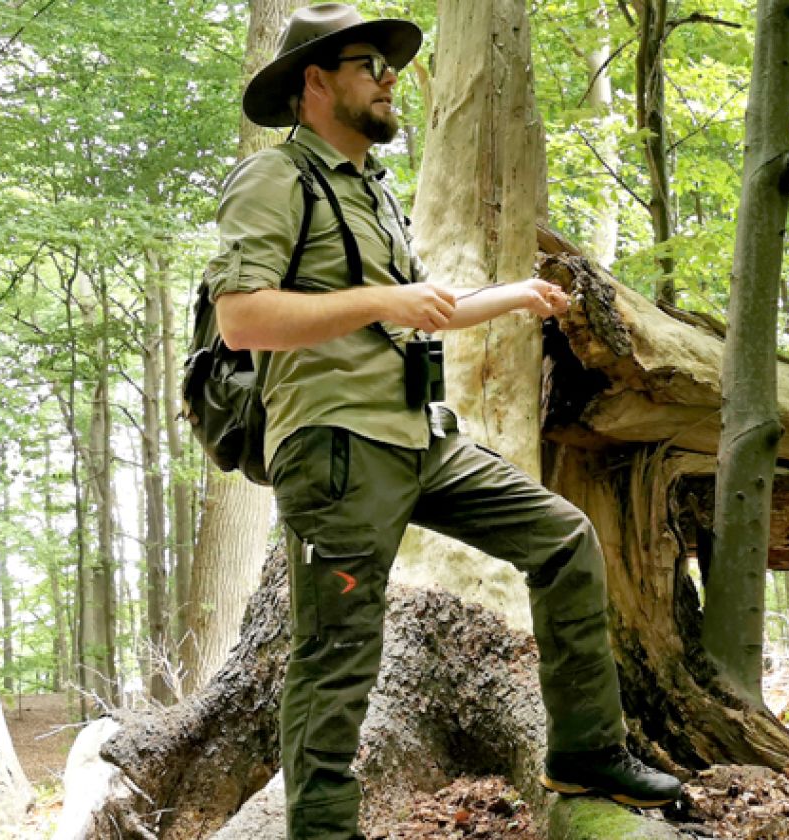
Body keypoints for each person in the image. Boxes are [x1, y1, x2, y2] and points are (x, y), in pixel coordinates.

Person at [210, 5, 682, 838]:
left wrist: (515, 295)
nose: (390, 78)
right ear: (315, 83)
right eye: (368, 64)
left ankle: (584, 752)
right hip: (337, 450)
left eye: (389, 66)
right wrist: (383, 301)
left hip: (420, 439)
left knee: (563, 539)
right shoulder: (275, 179)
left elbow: (418, 308)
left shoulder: (371, 189)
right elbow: (241, 318)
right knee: (337, 656)